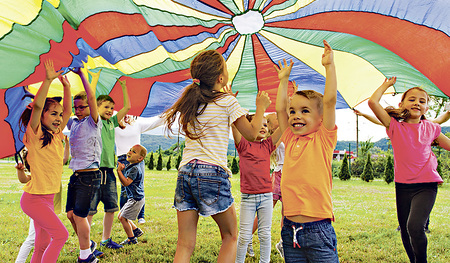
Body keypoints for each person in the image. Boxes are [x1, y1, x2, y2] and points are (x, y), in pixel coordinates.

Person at [163, 49, 271, 262]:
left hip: (185, 172)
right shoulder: (228, 102)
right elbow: (250, 134)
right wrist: (261, 108)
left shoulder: (192, 103)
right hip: (211, 172)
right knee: (230, 236)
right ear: (221, 78)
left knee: (184, 244)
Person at [368, 77, 450, 263]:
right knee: (405, 230)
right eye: (412, 99)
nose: (417, 103)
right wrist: (386, 85)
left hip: (426, 185)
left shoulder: (432, 128)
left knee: (414, 226)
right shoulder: (394, 126)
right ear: (401, 104)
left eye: (422, 101)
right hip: (403, 186)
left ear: (427, 108)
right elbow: (373, 102)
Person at [275, 40, 339, 262]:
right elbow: (280, 109)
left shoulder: (323, 138)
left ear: (320, 119)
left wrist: (329, 67)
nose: (295, 116)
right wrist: (283, 81)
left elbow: (329, 101)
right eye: (294, 111)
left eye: (304, 111)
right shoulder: (290, 139)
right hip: (290, 230)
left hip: (318, 229)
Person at [18, 60, 71, 262]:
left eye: (59, 115)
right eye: (53, 113)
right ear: (41, 117)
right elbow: (38, 105)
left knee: (42, 243)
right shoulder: (35, 134)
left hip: (48, 198)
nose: (59, 118)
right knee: (61, 235)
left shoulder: (57, 135)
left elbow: (67, 111)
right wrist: (47, 81)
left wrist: (66, 88)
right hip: (34, 199)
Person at [87, 79, 130, 250]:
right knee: (90, 209)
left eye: (111, 108)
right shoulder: (95, 122)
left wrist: (124, 87)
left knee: (111, 207)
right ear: (97, 108)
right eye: (106, 107)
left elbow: (127, 107)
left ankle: (106, 239)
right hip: (95, 171)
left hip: (109, 172)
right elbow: (90, 101)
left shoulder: (112, 123)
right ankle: (87, 243)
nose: (110, 111)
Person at [232, 113, 281, 262]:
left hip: (266, 196)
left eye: (265, 125)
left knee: (265, 235)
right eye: (258, 123)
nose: (262, 127)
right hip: (248, 198)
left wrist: (287, 107)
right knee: (244, 235)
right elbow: (234, 123)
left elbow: (284, 126)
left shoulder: (267, 145)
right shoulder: (243, 144)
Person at [66, 67, 103, 263]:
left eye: (82, 107)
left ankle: (86, 257)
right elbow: (64, 113)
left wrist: (81, 75)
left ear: (90, 107)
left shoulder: (93, 122)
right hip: (76, 175)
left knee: (80, 216)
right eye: (76, 107)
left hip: (89, 176)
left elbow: (91, 97)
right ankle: (88, 245)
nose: (78, 110)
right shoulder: (74, 123)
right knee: (71, 215)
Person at [15, 135, 70, 263]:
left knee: (42, 244)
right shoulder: (37, 172)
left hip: (47, 203)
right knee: (61, 235)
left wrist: (66, 144)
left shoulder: (53, 166)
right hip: (34, 202)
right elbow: (23, 179)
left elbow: (64, 159)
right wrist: (20, 170)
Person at [115, 114, 165, 224]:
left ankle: (140, 216)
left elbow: (156, 121)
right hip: (123, 158)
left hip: (137, 160)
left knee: (139, 187)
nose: (126, 115)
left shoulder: (137, 124)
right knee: (125, 189)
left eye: (129, 113)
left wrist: (170, 112)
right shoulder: (115, 125)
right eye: (124, 113)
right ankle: (124, 215)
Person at [116, 144, 147, 245]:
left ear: (140, 158)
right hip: (134, 198)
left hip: (136, 199)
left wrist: (119, 171)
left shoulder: (135, 169)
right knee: (120, 215)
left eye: (134, 152)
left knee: (122, 218)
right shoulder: (132, 166)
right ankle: (135, 230)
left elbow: (126, 183)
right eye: (130, 150)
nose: (129, 152)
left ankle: (131, 239)